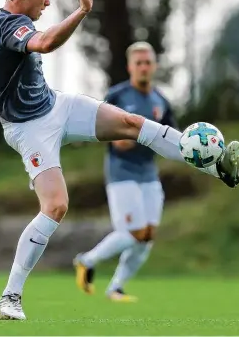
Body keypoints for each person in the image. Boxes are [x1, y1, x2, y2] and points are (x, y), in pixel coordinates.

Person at [0, 0, 239, 320]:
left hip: (56, 105)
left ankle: (218, 168)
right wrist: (81, 11)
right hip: (27, 129)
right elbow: (44, 44)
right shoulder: (10, 27)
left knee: (131, 122)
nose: (47, 2)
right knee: (56, 206)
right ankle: (9, 297)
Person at [74, 42, 178, 302]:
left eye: (148, 62)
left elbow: (172, 137)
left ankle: (115, 288)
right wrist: (111, 137)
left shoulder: (161, 101)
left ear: (154, 66)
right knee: (133, 232)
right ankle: (87, 261)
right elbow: (94, 123)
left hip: (148, 172)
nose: (143, 67)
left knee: (147, 236)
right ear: (130, 66)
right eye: (138, 63)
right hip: (122, 173)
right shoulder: (118, 96)